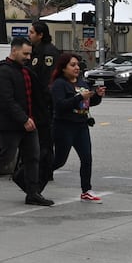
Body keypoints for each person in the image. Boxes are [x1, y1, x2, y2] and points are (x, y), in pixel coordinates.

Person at [0, 37, 51, 206]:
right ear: (14, 50)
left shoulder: (26, 71)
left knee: (33, 157)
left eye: (30, 54)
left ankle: (32, 193)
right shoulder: (2, 71)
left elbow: (36, 96)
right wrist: (23, 119)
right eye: (25, 54)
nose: (28, 58)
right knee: (6, 156)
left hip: (29, 122)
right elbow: (7, 100)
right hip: (10, 123)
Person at [50, 52, 104, 201]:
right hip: (64, 126)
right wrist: (80, 97)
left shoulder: (81, 82)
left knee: (87, 158)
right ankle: (35, 178)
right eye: (72, 65)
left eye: (78, 65)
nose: (76, 68)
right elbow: (60, 106)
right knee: (59, 160)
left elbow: (87, 103)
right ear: (63, 68)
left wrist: (97, 96)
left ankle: (86, 189)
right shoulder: (59, 84)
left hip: (81, 125)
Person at [27, 20, 61, 188]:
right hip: (35, 102)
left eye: (32, 32)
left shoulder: (49, 53)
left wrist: (45, 102)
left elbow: (48, 80)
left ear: (41, 35)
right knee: (38, 139)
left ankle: (46, 171)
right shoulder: (34, 51)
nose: (29, 35)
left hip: (44, 104)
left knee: (45, 140)